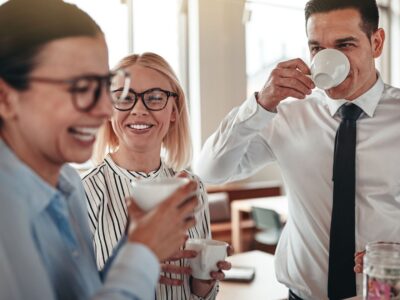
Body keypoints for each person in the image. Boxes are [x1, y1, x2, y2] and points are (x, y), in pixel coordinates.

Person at [194, 0, 400, 299]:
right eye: (317, 48)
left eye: (345, 45)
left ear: (376, 42)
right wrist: (260, 104)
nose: (330, 58)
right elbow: (209, 171)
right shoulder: (285, 115)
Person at [0, 0, 198, 299]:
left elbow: (87, 293)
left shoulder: (68, 185)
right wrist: (141, 253)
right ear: (5, 98)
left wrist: (132, 244)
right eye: (80, 87)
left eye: (104, 86)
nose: (106, 109)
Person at [82, 52, 231, 300]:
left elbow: (201, 294)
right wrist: (135, 269)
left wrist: (205, 278)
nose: (139, 110)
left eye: (154, 98)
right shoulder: (84, 192)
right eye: (124, 98)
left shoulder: (192, 188)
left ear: (174, 111)